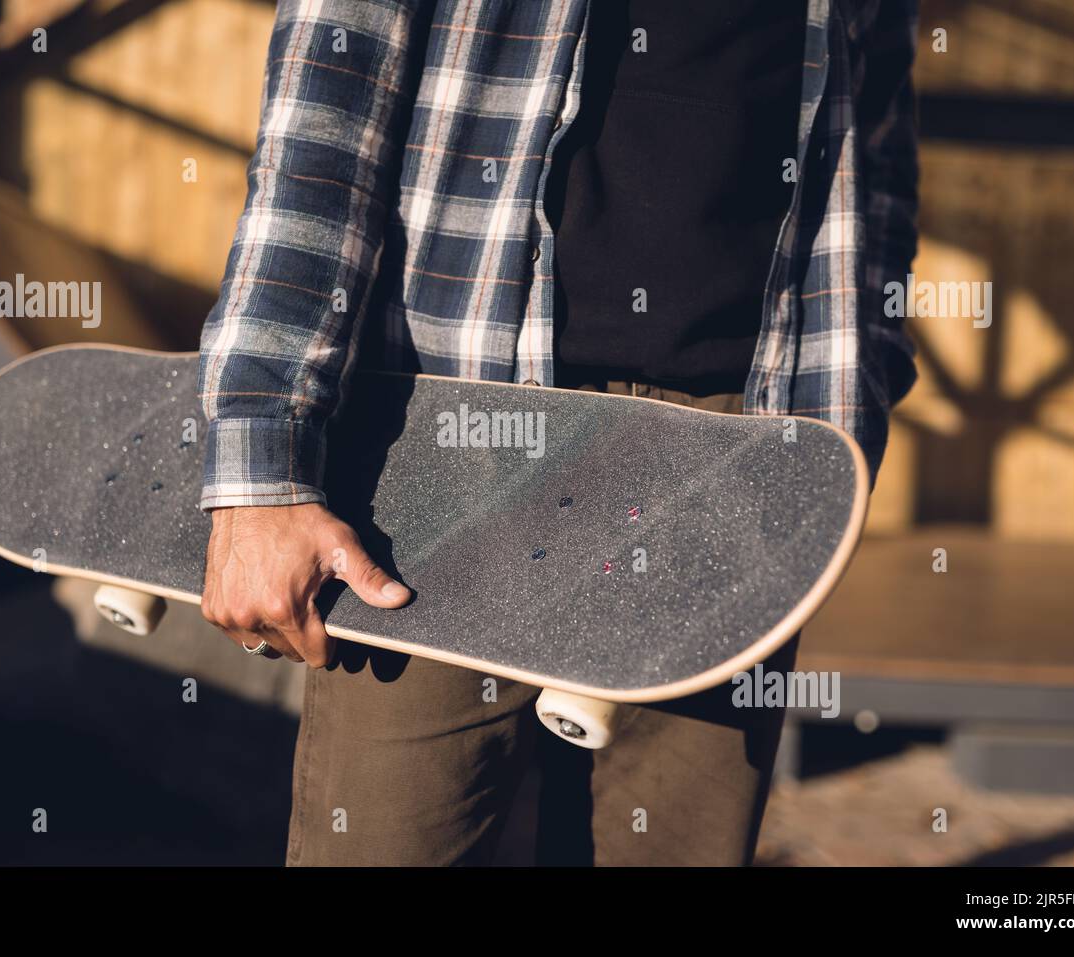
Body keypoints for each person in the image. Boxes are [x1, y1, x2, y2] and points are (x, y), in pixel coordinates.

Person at [198, 0, 919, 866]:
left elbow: (875, 157)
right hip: (448, 432)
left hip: (737, 449)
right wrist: (262, 459)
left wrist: (847, 417)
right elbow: (325, 114)